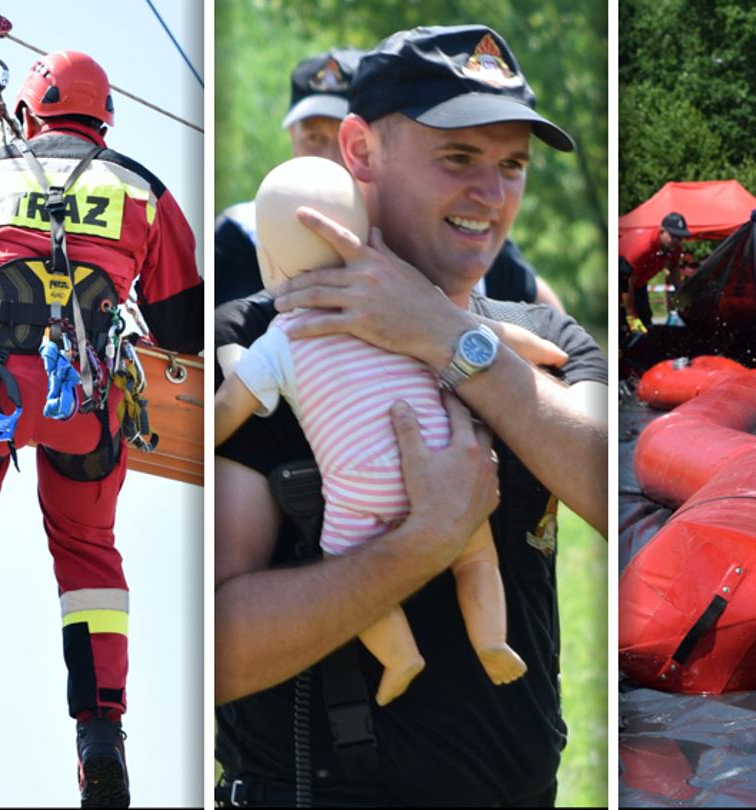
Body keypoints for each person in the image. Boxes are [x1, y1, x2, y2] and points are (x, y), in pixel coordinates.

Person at [213, 25, 606, 807]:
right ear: (360, 151)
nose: (493, 195)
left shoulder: (548, 344)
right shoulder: (256, 339)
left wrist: (445, 337)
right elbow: (213, 650)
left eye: (513, 166)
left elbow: (609, 487)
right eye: (458, 158)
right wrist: (420, 546)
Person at [0, 49, 203, 806]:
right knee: (90, 558)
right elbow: (183, 325)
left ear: (27, 114)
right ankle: (101, 738)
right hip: (87, 410)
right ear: (105, 120)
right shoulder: (143, 191)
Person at [214, 48, 563, 311]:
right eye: (314, 138)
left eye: (341, 139)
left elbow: (549, 316)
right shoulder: (243, 231)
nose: (332, 158)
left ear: (365, 147)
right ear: (292, 139)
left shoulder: (458, 235)